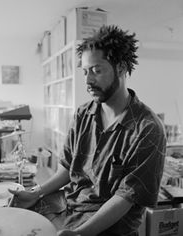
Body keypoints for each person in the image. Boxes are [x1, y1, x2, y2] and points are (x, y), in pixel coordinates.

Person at [9, 25, 166, 236]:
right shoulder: (84, 113)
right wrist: (35, 193)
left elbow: (126, 197)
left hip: (109, 227)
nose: (88, 80)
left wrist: (81, 233)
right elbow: (67, 167)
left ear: (120, 67)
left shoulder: (148, 128)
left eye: (96, 70)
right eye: (84, 71)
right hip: (69, 210)